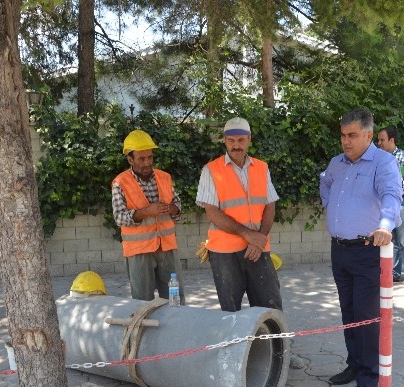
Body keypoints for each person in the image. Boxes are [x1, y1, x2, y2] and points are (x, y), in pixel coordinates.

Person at [196, 116, 304, 368]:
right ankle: (235, 362)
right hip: (224, 252)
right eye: (231, 140)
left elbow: (270, 205)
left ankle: (281, 355)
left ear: (249, 141)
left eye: (241, 140)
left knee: (270, 304)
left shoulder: (261, 168)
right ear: (224, 141)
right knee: (230, 309)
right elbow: (212, 212)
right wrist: (248, 235)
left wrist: (259, 239)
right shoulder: (211, 170)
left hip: (258, 249)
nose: (236, 145)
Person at [320, 108, 402, 387]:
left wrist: (385, 225)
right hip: (339, 250)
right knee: (348, 312)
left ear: (368, 135)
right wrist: (329, 206)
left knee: (367, 317)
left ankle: (369, 376)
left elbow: (393, 196)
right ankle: (354, 365)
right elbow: (325, 183)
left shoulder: (383, 163)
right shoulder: (337, 163)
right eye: (343, 135)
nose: (346, 141)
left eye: (352, 135)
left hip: (368, 251)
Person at [112, 129, 185, 303]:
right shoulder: (120, 182)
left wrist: (172, 209)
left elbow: (178, 205)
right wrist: (146, 212)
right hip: (139, 252)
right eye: (141, 159)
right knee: (142, 302)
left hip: (167, 248)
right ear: (130, 160)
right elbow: (119, 217)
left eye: (150, 157)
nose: (147, 163)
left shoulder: (164, 177)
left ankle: (177, 329)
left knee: (175, 300)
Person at [377, 126, 404, 289]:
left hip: (403, 202)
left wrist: (397, 186)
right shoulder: (379, 159)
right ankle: (395, 273)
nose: (379, 143)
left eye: (382, 140)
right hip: (386, 204)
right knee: (391, 240)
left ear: (391, 140)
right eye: (378, 140)